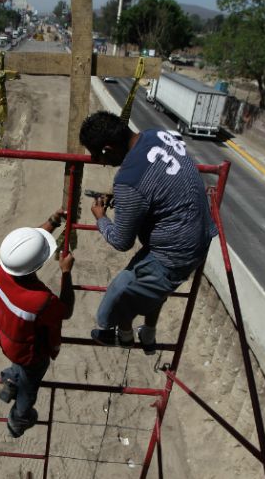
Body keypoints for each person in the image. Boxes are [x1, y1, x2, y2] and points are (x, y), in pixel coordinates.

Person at [79, 111, 218, 354]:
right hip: (198, 235)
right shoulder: (158, 134)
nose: (97, 160)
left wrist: (101, 218)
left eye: (96, 154)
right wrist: (125, 201)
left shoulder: (128, 181)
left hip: (174, 256)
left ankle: (123, 336)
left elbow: (122, 241)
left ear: (108, 148)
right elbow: (159, 183)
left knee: (120, 299)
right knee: (152, 290)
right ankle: (149, 334)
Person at [0, 209, 75, 438]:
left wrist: (51, 222)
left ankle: (11, 378)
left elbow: (23, 249)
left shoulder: (3, 271)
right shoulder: (40, 301)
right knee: (30, 386)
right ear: (35, 267)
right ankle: (18, 418)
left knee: (18, 363)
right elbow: (66, 311)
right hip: (30, 355)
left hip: (7, 337)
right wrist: (66, 274)